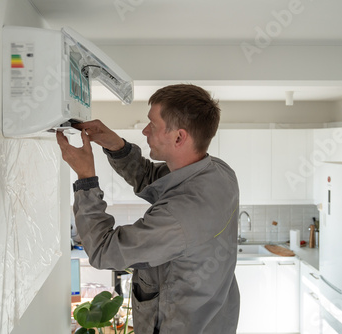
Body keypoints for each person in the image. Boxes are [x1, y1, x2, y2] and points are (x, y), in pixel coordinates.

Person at [56, 84, 240, 334]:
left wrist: (85, 178)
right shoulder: (219, 172)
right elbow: (152, 178)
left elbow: (103, 251)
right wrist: (116, 146)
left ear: (179, 137)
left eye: (152, 125)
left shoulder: (179, 218)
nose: (144, 131)